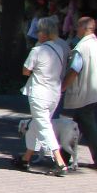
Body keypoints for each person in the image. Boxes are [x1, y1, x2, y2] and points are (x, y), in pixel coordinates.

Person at [12, 16, 69, 176]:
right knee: (37, 125)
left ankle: (59, 162)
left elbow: (25, 70)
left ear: (44, 33)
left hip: (39, 93)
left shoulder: (37, 50)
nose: (37, 33)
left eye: (39, 31)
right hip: (54, 93)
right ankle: (26, 158)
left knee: (43, 126)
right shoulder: (59, 49)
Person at [62, 16, 97, 170]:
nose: (76, 29)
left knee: (86, 126)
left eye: (77, 27)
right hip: (94, 92)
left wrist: (62, 87)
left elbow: (74, 70)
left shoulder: (81, 48)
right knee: (76, 124)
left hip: (82, 93)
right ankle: (63, 156)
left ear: (83, 28)